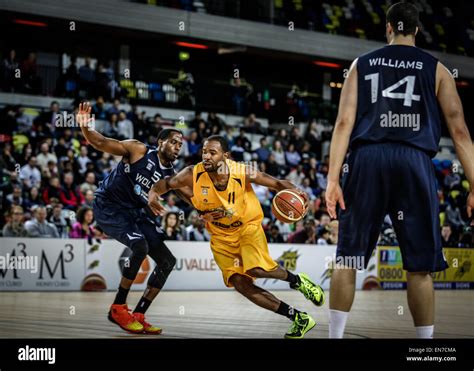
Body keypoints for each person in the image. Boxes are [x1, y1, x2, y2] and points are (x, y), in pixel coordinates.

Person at [325, 2, 474, 339]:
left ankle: (334, 338)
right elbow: (460, 132)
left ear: (389, 28)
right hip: (415, 161)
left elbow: (344, 123)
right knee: (420, 268)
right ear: (417, 30)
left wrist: (333, 179)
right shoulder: (437, 70)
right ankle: (424, 347)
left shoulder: (361, 64)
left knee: (347, 259)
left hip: (367, 159)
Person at [148, 135, 325, 339]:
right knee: (241, 284)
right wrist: (153, 193)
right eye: (204, 152)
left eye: (212, 153)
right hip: (220, 235)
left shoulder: (242, 171)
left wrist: (299, 194)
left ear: (226, 156)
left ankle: (298, 281)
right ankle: (299, 318)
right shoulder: (193, 173)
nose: (206, 156)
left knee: (256, 269)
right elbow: (168, 183)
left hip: (247, 227)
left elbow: (276, 183)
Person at [77, 102, 192, 334]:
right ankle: (118, 307)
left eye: (181, 144)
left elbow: (191, 199)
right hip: (108, 205)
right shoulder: (138, 150)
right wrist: (85, 127)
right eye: (173, 141)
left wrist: (214, 212)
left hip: (134, 212)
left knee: (167, 261)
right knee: (139, 246)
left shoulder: (170, 174)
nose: (178, 146)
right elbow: (100, 142)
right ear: (161, 142)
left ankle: (139, 313)